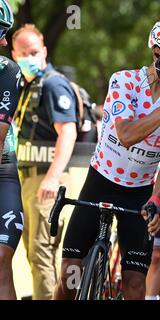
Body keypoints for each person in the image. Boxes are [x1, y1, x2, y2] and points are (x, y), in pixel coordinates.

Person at [53, 16, 160, 300]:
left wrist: (156, 199)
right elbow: (126, 134)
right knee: (70, 276)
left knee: (134, 284)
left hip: (139, 192)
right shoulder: (125, 81)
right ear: (156, 52)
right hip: (101, 181)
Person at [10, 23, 79, 300]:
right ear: (14, 54)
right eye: (23, 53)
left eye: (34, 51)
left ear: (45, 51)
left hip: (45, 179)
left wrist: (52, 177)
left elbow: (68, 131)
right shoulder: (28, 85)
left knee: (41, 253)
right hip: (27, 178)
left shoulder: (52, 84)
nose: (30, 57)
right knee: (33, 252)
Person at [0, 0, 23, 300]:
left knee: (2, 260)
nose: (5, 41)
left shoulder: (7, 70)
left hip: (3, 167)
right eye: (0, 32)